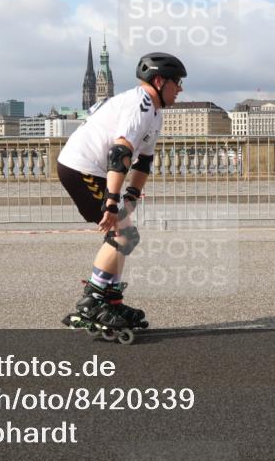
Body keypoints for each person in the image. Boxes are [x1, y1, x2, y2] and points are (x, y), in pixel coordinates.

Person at [57, 52, 187, 333]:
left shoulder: (154, 113)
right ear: (159, 80)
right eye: (177, 82)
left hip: (94, 170)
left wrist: (130, 197)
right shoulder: (139, 105)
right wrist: (113, 201)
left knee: (127, 236)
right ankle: (93, 300)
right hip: (82, 168)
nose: (180, 88)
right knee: (122, 234)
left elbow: (143, 162)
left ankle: (110, 300)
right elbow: (121, 152)